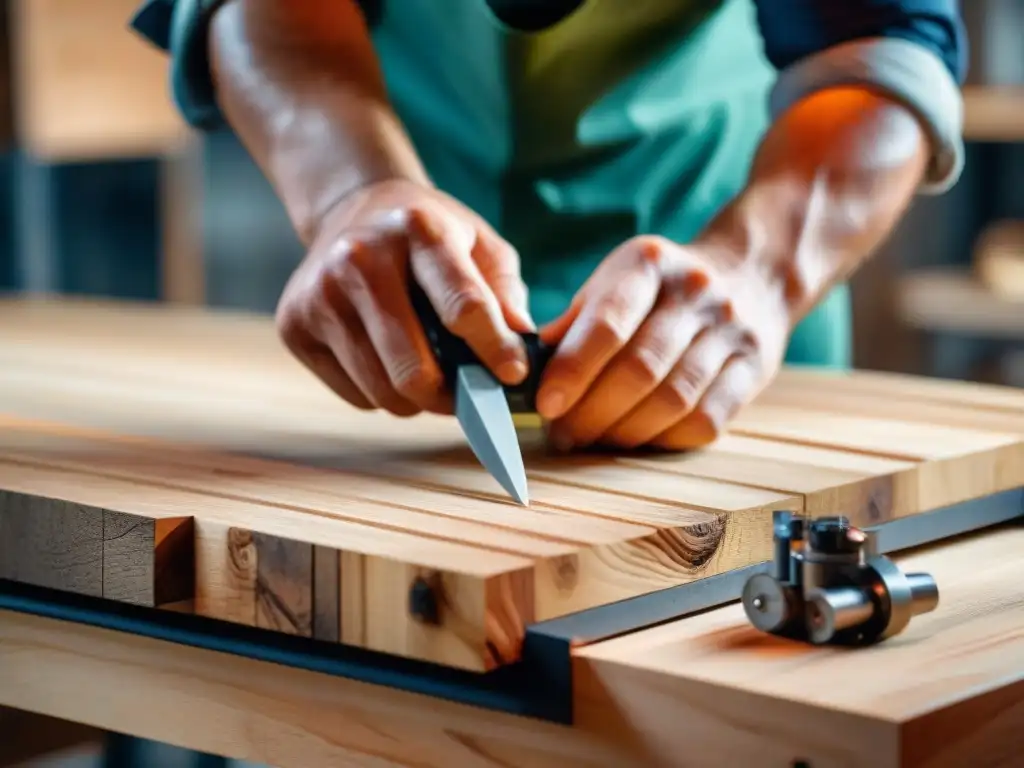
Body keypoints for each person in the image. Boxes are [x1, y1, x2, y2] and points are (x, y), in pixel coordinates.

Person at [131, 0, 966, 454]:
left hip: (724, 287)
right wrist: (354, 190)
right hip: (395, 345)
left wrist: (757, 267)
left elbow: (885, 42)